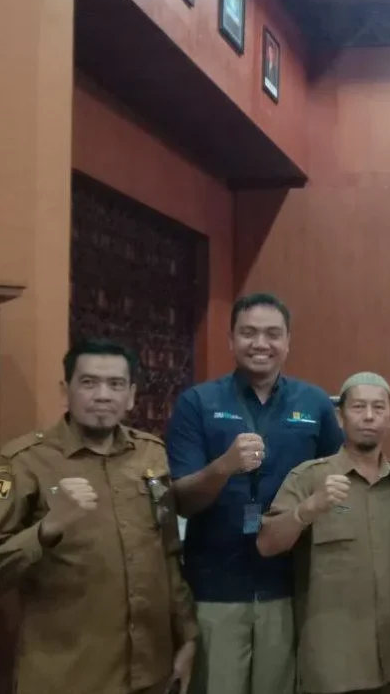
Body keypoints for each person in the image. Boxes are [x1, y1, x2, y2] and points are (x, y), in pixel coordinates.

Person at [166, 293, 345, 694]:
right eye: (248, 333)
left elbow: (334, 481)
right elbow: (182, 499)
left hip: (288, 587)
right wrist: (224, 465)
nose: (260, 343)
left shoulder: (313, 403)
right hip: (215, 588)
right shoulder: (198, 403)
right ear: (231, 340)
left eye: (271, 334)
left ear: (287, 342)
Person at [0, 338, 198, 694]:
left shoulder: (151, 455)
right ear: (67, 390)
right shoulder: (22, 462)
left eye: (116, 384)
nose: (103, 395)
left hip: (149, 671)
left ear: (132, 395)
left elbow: (167, 550)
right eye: (89, 383)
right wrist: (47, 528)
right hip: (67, 675)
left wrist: (187, 635)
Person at [257, 372, 390, 694]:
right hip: (333, 667)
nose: (368, 416)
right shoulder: (308, 478)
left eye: (378, 408)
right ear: (339, 416)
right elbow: (267, 544)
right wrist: (307, 509)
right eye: (358, 407)